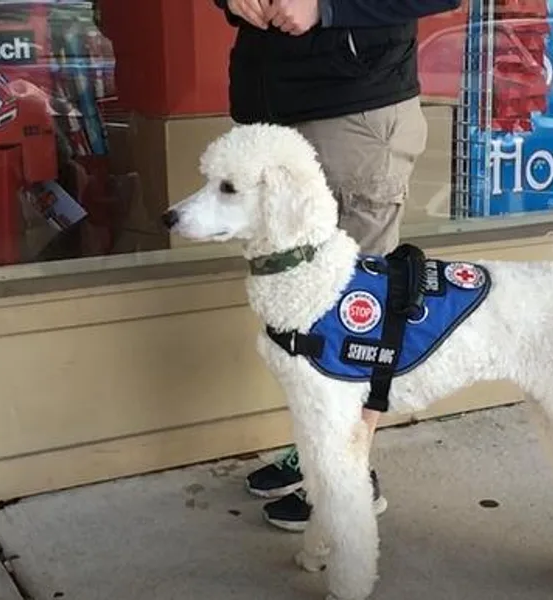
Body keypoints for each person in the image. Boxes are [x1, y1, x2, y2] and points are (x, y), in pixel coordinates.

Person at [214, 0, 461, 532]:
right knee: (300, 313)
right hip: (275, 108)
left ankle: (347, 477)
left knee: (357, 316)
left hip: (355, 109)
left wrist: (323, 7)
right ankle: (314, 454)